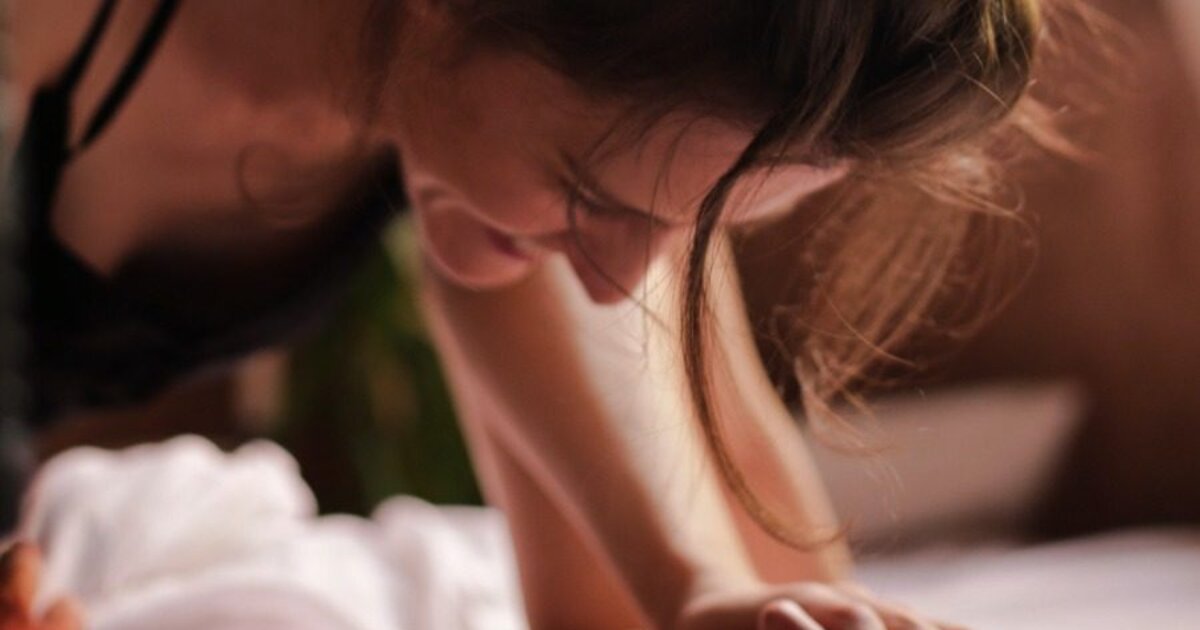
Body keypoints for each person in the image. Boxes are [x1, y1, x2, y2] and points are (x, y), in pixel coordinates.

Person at [2, 0, 1046, 627]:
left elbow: (724, 538)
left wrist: (697, 590)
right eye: (595, 198)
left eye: (685, 228)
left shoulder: (555, 91)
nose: (618, 281)